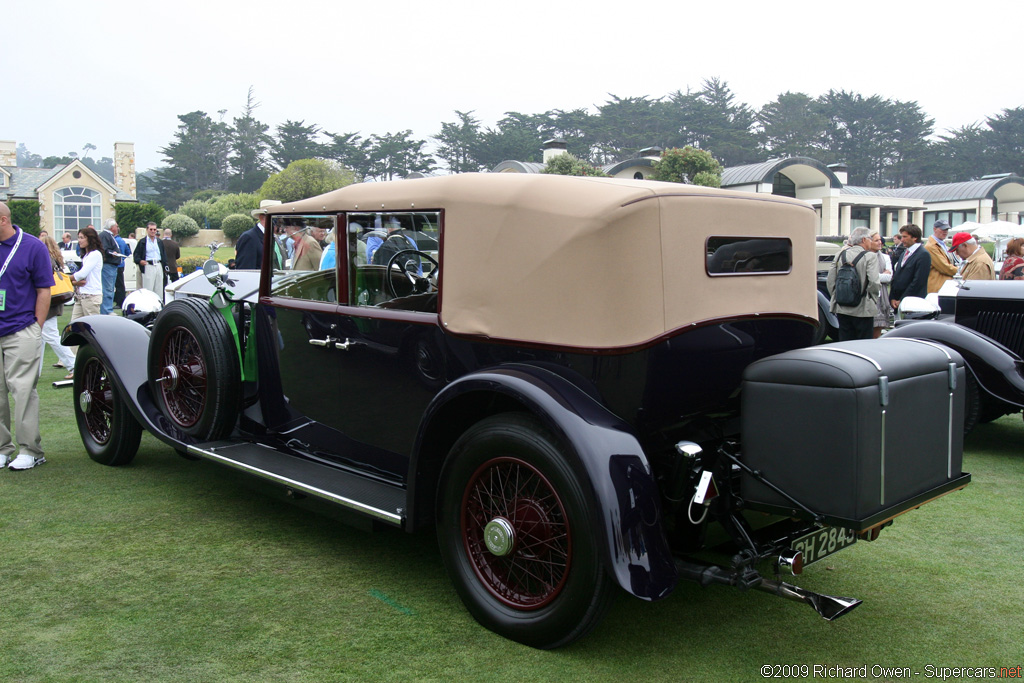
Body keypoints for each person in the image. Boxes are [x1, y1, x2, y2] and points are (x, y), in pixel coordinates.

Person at [0, 201, 53, 470]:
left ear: (3, 220)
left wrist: (36, 326)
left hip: (21, 328)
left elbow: (44, 289)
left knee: (21, 390)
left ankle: (30, 450)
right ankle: (2, 448)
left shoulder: (32, 246)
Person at [826, 226, 880, 341]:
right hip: (863, 308)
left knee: (845, 340)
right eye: (870, 238)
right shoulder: (870, 256)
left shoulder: (840, 255)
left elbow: (830, 280)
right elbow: (874, 282)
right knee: (863, 343)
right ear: (864, 240)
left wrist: (837, 296)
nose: (871, 241)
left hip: (842, 307)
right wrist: (872, 299)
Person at [38, 236, 77, 375]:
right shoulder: (55, 259)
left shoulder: (45, 259)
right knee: (42, 337)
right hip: (54, 300)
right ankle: (36, 371)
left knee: (50, 336)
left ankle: (73, 365)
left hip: (48, 301)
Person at [68, 227, 104, 372]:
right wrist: (74, 281)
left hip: (91, 297)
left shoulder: (95, 254)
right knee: (73, 328)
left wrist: (64, 278)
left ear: (90, 238)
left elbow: (81, 274)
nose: (80, 240)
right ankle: (70, 362)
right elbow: (81, 278)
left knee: (94, 332)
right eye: (79, 237)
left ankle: (99, 359)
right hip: (81, 296)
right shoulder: (87, 255)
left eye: (82, 237)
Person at [889, 224, 930, 312]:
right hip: (898, 302)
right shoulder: (905, 253)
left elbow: (918, 281)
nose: (902, 240)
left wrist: (903, 299)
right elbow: (897, 276)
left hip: (912, 303)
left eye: (905, 237)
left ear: (915, 237)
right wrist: (892, 297)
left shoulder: (923, 254)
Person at [235, 199, 282, 270]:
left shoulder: (272, 238)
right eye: (276, 218)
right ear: (262, 218)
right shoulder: (249, 238)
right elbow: (245, 270)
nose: (280, 222)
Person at [133, 222, 166, 299]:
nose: (153, 231)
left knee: (159, 288)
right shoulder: (142, 242)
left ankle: (158, 305)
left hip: (158, 265)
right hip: (148, 265)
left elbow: (163, 254)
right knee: (148, 288)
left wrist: (165, 266)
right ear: (147, 230)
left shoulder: (159, 242)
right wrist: (140, 261)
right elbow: (136, 255)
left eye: (154, 229)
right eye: (151, 229)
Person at [925, 219, 959, 293]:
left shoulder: (942, 244)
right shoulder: (931, 246)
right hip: (937, 288)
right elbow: (944, 267)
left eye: (947, 229)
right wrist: (962, 271)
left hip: (944, 286)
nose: (945, 231)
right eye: (942, 229)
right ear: (934, 229)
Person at [870, 231, 893, 338]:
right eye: (876, 240)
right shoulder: (864, 257)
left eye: (880, 240)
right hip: (867, 298)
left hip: (881, 298)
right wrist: (880, 275)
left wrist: (874, 276)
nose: (880, 242)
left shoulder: (885, 257)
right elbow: (865, 277)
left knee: (877, 329)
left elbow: (889, 277)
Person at [98, 219, 121, 314]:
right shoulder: (105, 235)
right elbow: (104, 249)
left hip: (111, 266)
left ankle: (107, 309)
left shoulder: (108, 236)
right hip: (108, 266)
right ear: (112, 227)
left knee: (110, 288)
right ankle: (107, 310)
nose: (117, 228)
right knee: (108, 288)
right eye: (116, 226)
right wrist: (112, 253)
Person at [112, 222, 131, 307]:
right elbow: (128, 252)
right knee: (120, 283)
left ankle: (120, 301)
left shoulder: (115, 241)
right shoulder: (122, 240)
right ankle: (120, 300)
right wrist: (123, 258)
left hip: (116, 264)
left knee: (118, 284)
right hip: (121, 264)